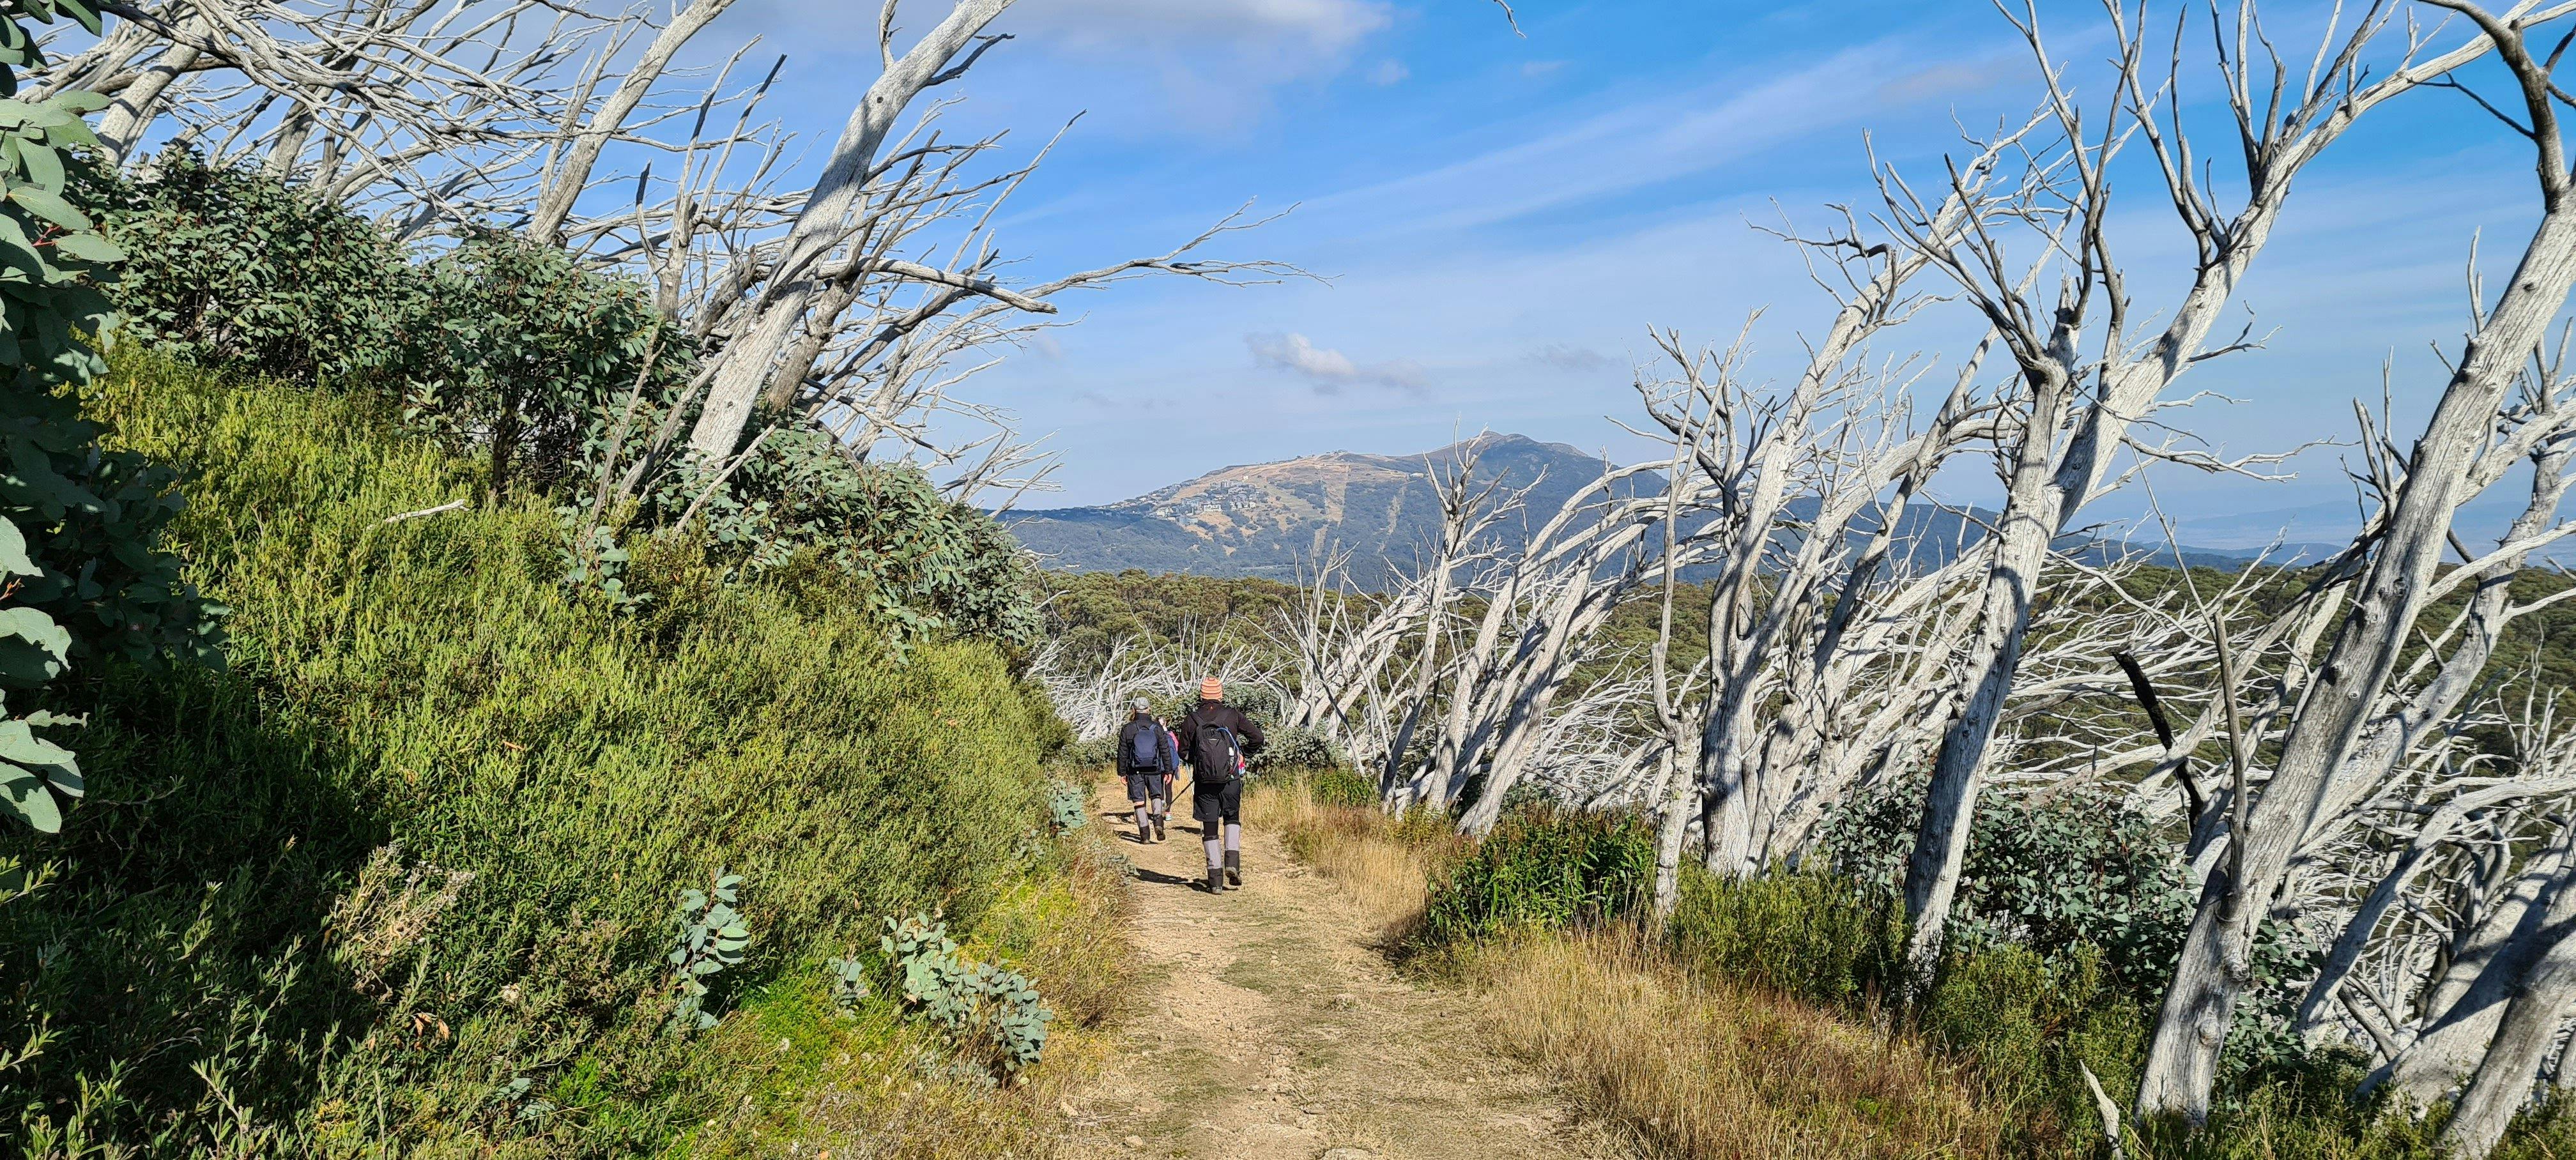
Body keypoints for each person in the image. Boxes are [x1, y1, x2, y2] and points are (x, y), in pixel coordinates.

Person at [1177, 676, 1264, 893]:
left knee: (1209, 827)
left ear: (1202, 695)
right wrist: (1243, 754)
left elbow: (1183, 752)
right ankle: (1233, 863)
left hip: (1205, 782)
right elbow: (1258, 737)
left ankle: (1215, 880)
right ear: (1220, 695)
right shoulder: (1232, 715)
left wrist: (1201, 762)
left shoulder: (1192, 719)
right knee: (1232, 818)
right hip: (1231, 779)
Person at [1115, 698, 1176, 844]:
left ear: (1134, 710)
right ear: (1149, 710)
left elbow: (1122, 752)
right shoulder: (1157, 728)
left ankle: (1145, 835)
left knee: (1139, 801)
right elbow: (1165, 750)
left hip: (1134, 771)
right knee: (1156, 796)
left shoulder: (1128, 729)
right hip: (1154, 769)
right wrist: (1168, 770)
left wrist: (1122, 773)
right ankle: (1158, 824)